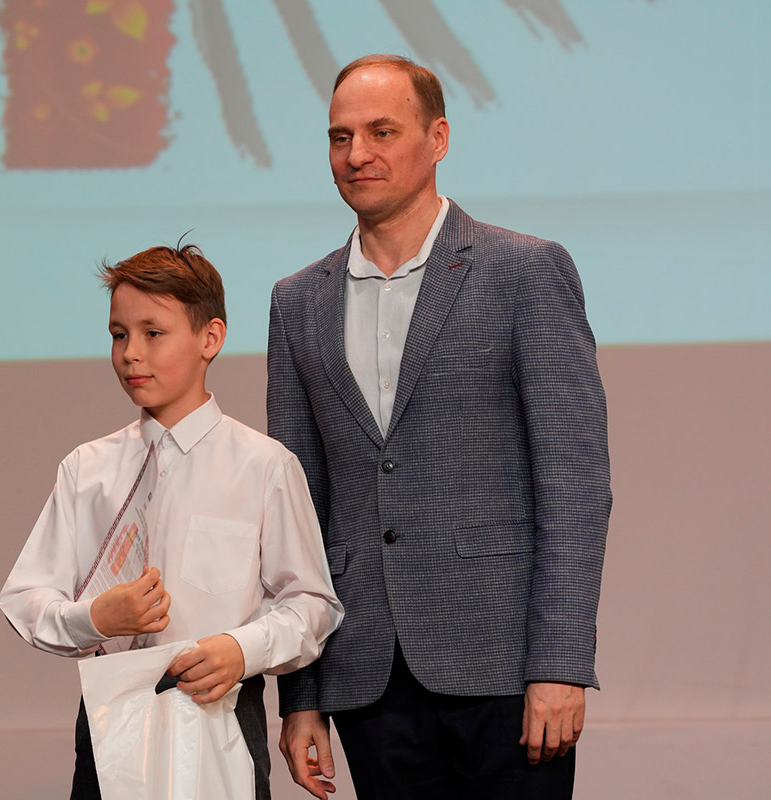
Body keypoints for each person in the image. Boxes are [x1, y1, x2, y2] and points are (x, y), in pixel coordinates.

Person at [267, 54, 612, 799]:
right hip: (363, 666)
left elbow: (575, 486)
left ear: (439, 138)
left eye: (382, 131)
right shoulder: (297, 302)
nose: (357, 154)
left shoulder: (524, 271)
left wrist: (560, 663)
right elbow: (298, 512)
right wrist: (301, 693)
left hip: (505, 663)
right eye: (340, 137)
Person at [0, 243, 344, 800]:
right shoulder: (88, 469)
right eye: (118, 335)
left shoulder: (263, 467)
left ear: (210, 338)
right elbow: (24, 598)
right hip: (112, 716)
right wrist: (93, 618)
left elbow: (312, 603)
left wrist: (242, 648)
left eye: (152, 333)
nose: (131, 354)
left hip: (221, 715)